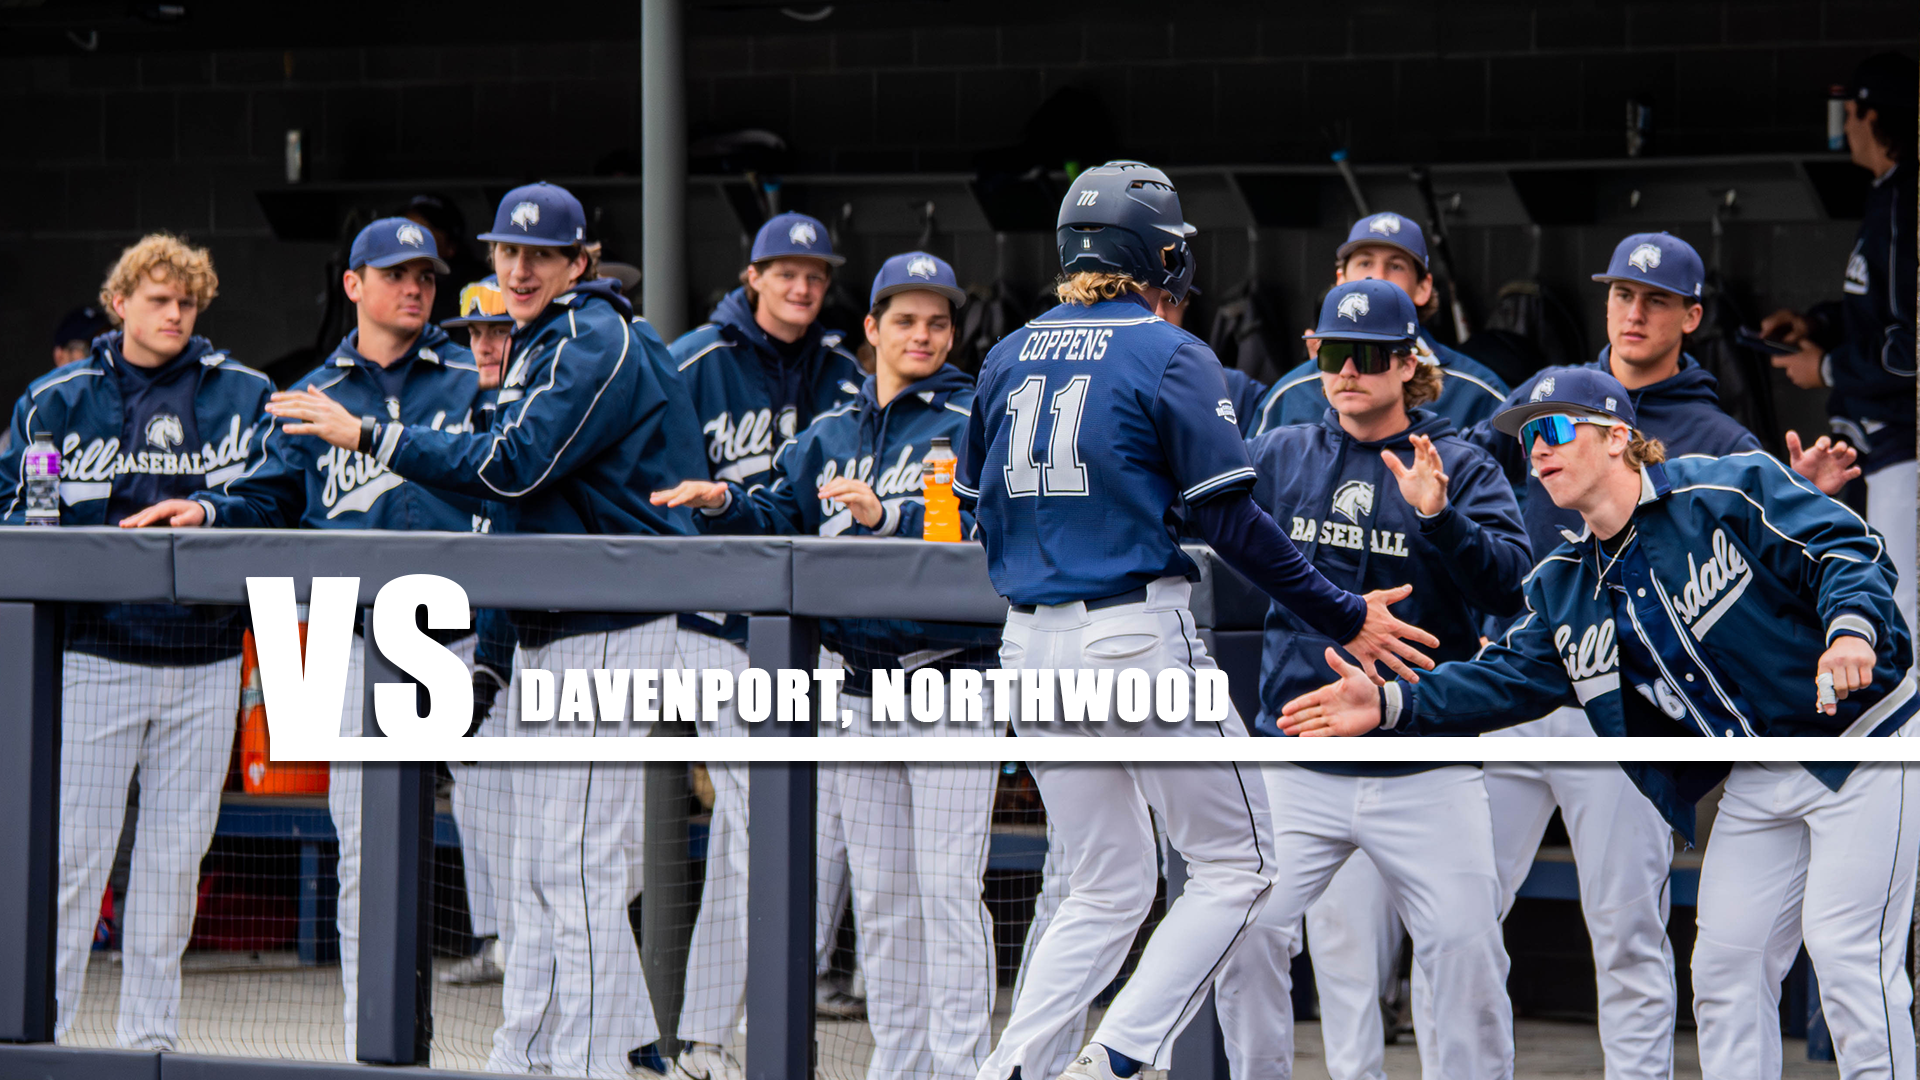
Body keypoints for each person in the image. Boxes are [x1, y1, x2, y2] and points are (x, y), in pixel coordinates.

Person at [1282, 366, 1918, 1080]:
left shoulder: (1724, 485)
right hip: (1758, 772)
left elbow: (1845, 548)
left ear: (1619, 437)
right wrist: (1390, 703)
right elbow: (1506, 679)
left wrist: (1852, 631)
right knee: (1725, 969)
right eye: (1527, 439)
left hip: (1865, 745)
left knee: (1845, 954)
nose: (1538, 451)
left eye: (1554, 429)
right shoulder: (1566, 581)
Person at [959, 160, 1438, 1080]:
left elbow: (979, 504)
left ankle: (1012, 1067)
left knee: (1104, 883)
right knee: (1242, 866)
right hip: (1134, 635)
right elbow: (1229, 519)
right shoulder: (1171, 350)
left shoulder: (1007, 351)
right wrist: (1343, 612)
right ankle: (1116, 1060)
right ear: (1155, 253)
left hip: (1029, 644)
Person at [261, 182, 708, 1080]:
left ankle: (593, 1061)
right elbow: (523, 527)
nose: (520, 269)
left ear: (580, 263)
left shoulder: (593, 336)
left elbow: (510, 474)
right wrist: (497, 663)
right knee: (549, 872)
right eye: (508, 253)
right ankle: (577, 1050)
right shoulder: (544, 343)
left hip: (616, 619)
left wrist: (372, 438)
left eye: (541, 256)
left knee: (576, 871)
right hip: (557, 626)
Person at [119, 218, 490, 1048]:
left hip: (467, 637)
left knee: (515, 845)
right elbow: (266, 499)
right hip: (352, 639)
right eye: (395, 274)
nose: (415, 289)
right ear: (353, 286)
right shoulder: (310, 393)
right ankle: (373, 1042)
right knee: (364, 854)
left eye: (425, 276)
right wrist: (210, 509)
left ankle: (536, 1053)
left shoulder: (473, 378)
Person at [655, 252, 1000, 1080]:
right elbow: (781, 506)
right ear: (873, 331)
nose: (924, 336)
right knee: (882, 903)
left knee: (948, 890)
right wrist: (725, 502)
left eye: (939, 322)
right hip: (857, 686)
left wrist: (892, 515)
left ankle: (960, 1068)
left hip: (951, 677)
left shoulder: (971, 417)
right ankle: (902, 1064)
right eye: (907, 320)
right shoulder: (832, 432)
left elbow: (987, 525)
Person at [1211, 278, 1530, 1080]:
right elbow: (1201, 521)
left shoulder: (1456, 460)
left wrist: (1439, 517)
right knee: (1243, 936)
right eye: (1333, 353)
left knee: (1466, 952)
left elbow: (1513, 587)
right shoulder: (1280, 451)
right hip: (1298, 757)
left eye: (1371, 355)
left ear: (1407, 363)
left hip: (1424, 757)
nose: (1350, 370)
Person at [0, 234, 273, 1050]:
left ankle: (150, 1043)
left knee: (172, 867)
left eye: (188, 302)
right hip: (97, 657)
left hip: (207, 661)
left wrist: (212, 513)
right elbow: (19, 510)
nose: (177, 314)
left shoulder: (242, 392)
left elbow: (282, 495)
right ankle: (35, 1035)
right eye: (159, 300)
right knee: (73, 861)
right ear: (119, 305)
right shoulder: (59, 397)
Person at [663, 210, 864, 1080]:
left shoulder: (847, 375)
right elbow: (655, 489)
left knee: (794, 833)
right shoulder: (696, 361)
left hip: (813, 634)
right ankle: (714, 1032)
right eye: (785, 271)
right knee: (761, 825)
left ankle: (722, 1030)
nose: (801, 286)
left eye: (815, 275)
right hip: (715, 630)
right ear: (752, 275)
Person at [1761, 51, 1917, 636]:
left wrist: (1825, 367)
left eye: (1851, 111)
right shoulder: (1888, 194)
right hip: (1886, 452)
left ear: (1873, 116)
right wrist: (1815, 325)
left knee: (1904, 616)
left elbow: (1911, 350)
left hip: (1907, 450)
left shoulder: (1908, 200)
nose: (1847, 125)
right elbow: (1878, 312)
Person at [1249, 212, 1510, 437]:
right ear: (1341, 279)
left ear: (1423, 288)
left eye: (1396, 266)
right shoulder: (1289, 393)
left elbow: (1519, 490)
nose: (1378, 277)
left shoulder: (1479, 392)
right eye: (1364, 262)